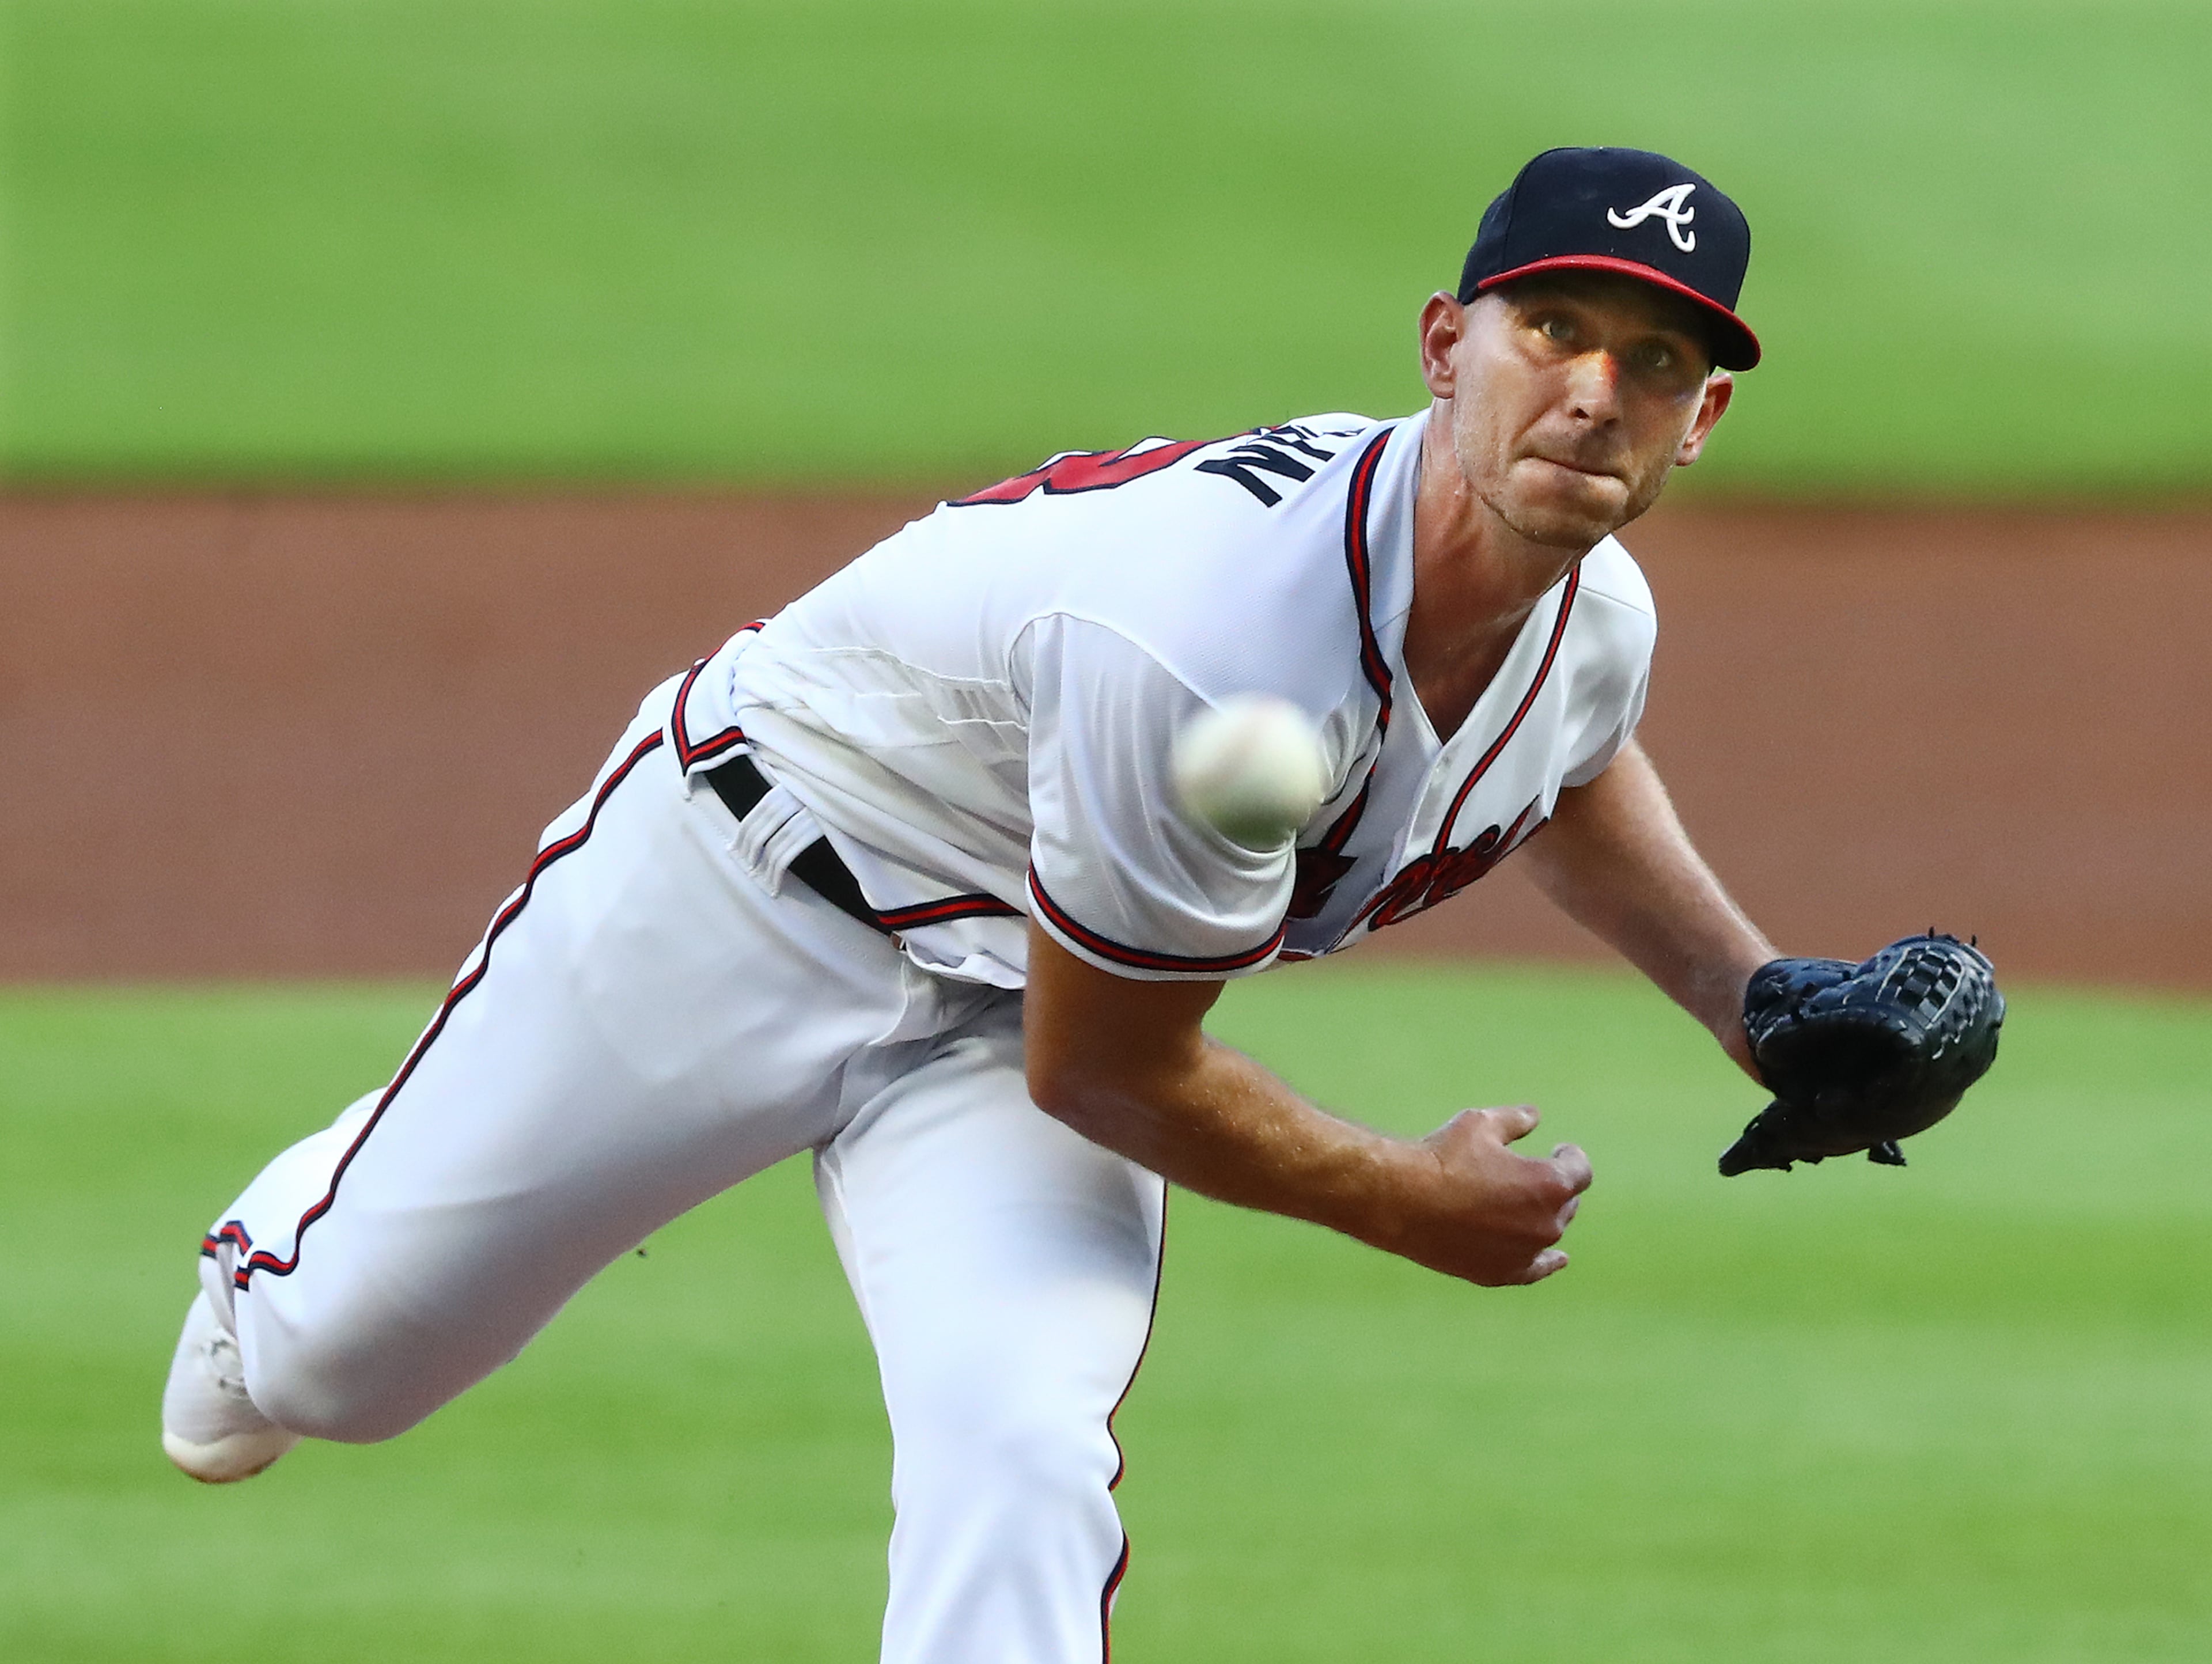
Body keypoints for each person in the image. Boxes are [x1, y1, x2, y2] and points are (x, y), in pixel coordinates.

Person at [162, 146, 1781, 1662]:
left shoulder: (1592, 616)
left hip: (1027, 994)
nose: (1591, 392)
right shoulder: (1214, 639)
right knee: (336, 1363)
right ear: (1445, 344)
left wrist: (1752, 999)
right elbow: (1114, 1071)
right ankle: (283, 1253)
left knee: (1020, 1442)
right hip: (740, 889)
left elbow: (1557, 761)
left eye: (1650, 362)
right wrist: (1399, 1196)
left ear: (1697, 416)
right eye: (1552, 327)